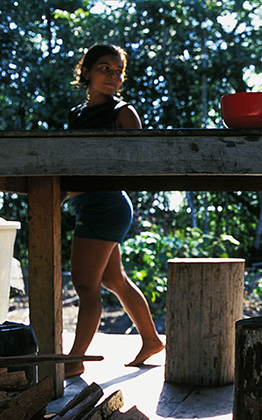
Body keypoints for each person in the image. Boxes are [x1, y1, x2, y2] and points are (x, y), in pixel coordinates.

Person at [64, 44, 164, 378]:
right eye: (105, 68)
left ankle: (75, 359)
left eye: (118, 71)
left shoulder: (123, 112)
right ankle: (151, 340)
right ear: (86, 71)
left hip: (106, 205)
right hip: (89, 205)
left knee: (85, 285)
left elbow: (137, 162)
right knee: (112, 279)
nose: (113, 76)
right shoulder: (77, 115)